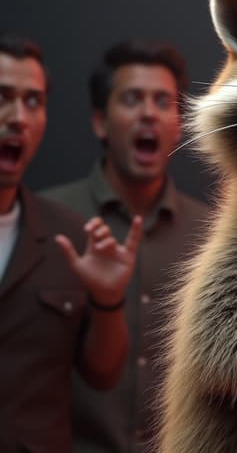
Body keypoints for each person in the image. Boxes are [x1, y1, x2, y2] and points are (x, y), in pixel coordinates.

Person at [42, 39, 208, 452]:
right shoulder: (48, 220)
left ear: (178, 123)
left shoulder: (211, 235)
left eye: (162, 101)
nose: (148, 113)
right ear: (100, 122)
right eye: (132, 100)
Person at [0, 32, 142, 452]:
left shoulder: (68, 236)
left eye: (33, 101)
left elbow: (102, 373)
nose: (19, 118)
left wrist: (108, 298)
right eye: (3, 96)